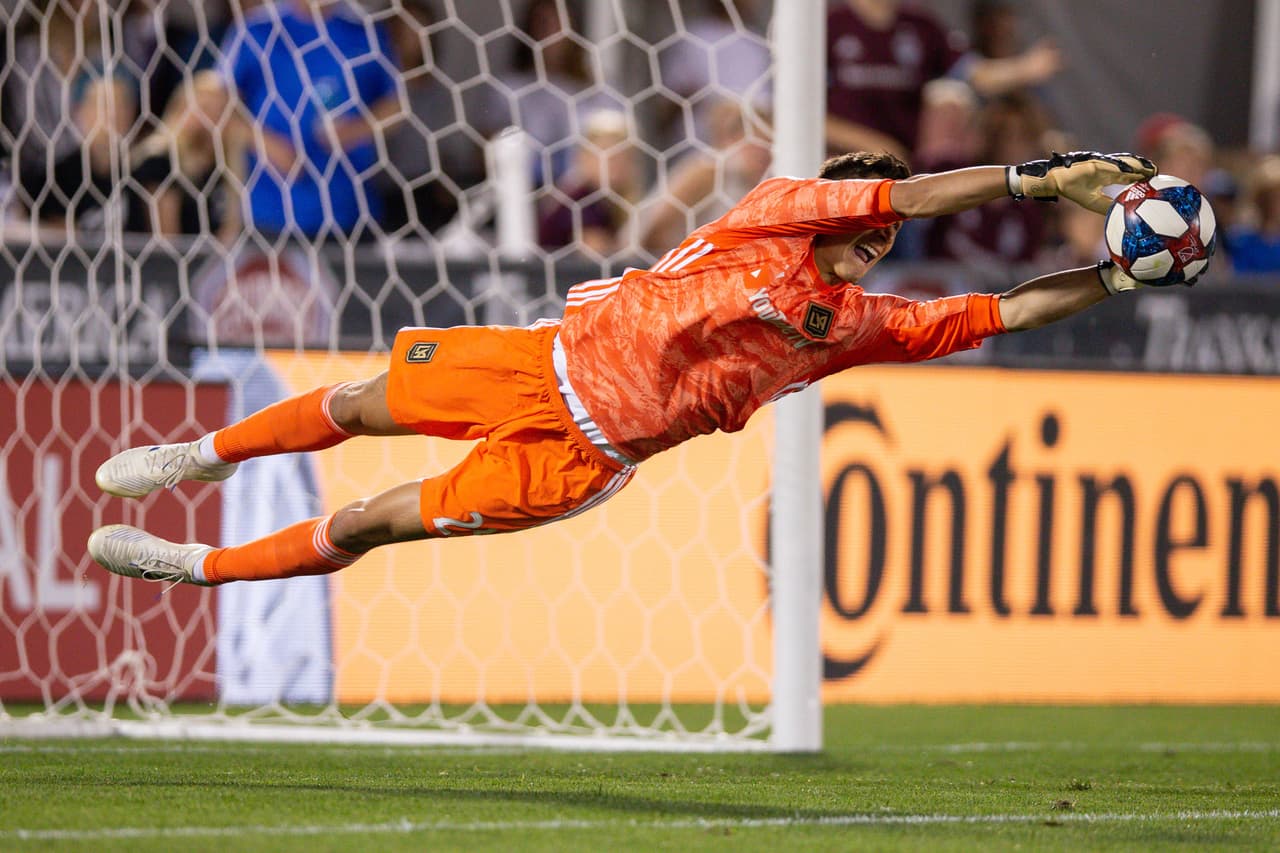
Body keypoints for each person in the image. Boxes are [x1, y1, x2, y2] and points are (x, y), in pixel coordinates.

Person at [87, 150, 1162, 584]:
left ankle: (190, 570)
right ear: (837, 208)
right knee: (359, 400)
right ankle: (203, 455)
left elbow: (1008, 306)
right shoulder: (772, 217)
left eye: (880, 236)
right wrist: (1037, 178)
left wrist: (1110, 279)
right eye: (868, 219)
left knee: (371, 521)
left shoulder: (856, 324)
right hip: (536, 361)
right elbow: (919, 197)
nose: (878, 236)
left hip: (582, 454)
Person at [217, 0, 400, 241]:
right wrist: (265, 143)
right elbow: (217, 102)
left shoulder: (365, 29)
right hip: (270, 212)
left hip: (349, 211)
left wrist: (354, 131)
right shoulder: (258, 27)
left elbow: (396, 107)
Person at [825, 0, 1061, 161]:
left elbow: (976, 74)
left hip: (903, 174)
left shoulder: (921, 26)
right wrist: (872, 145)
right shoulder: (830, 26)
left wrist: (1025, 68)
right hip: (844, 171)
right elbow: (800, 112)